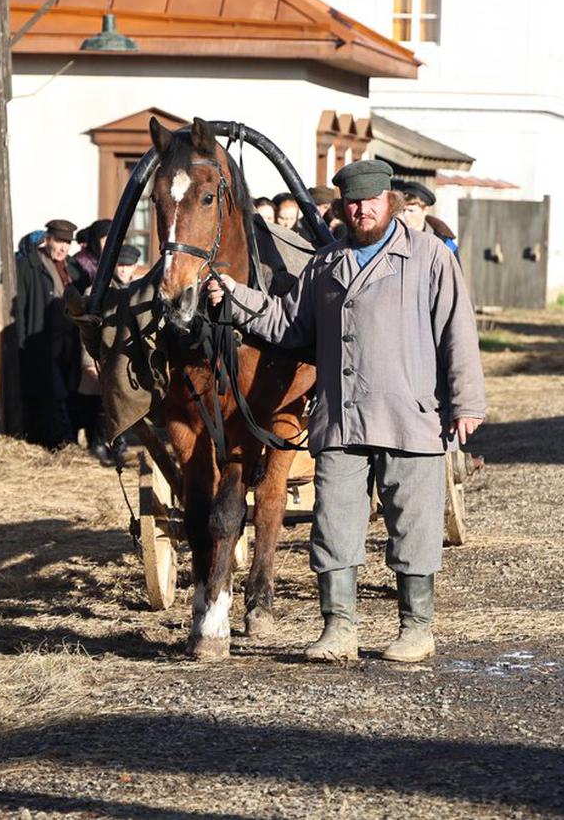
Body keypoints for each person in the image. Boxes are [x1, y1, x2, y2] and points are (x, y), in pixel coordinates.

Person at [207, 159, 485, 664]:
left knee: (414, 524)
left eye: (372, 201)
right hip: (340, 418)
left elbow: (457, 332)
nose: (362, 210)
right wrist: (233, 296)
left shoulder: (427, 258)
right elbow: (288, 325)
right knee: (333, 524)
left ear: (390, 202)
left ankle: (416, 629)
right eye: (353, 203)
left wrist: (466, 402)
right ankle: (339, 629)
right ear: (343, 208)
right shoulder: (325, 264)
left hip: (410, 414)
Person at [15, 219, 83, 448]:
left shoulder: (73, 269)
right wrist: (22, 346)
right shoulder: (29, 266)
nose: (64, 248)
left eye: (67, 243)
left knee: (67, 391)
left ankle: (61, 441)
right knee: (51, 394)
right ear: (48, 240)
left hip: (68, 343)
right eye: (59, 241)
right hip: (40, 342)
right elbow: (20, 310)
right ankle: (58, 442)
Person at [77, 244, 142, 464]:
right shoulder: (97, 291)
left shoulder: (140, 290)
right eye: (120, 265)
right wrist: (88, 360)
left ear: (135, 267)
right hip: (103, 354)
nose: (123, 270)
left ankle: (119, 445)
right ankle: (99, 444)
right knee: (102, 402)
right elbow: (87, 329)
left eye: (128, 266)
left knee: (122, 404)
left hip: (129, 357)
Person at [396, 180, 459, 258]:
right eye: (402, 210)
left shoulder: (444, 244)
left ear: (426, 210)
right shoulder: (393, 238)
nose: (405, 215)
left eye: (411, 210)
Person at [71, 219, 111, 291]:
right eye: (105, 241)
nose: (109, 246)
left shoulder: (109, 260)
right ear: (95, 242)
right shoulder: (80, 262)